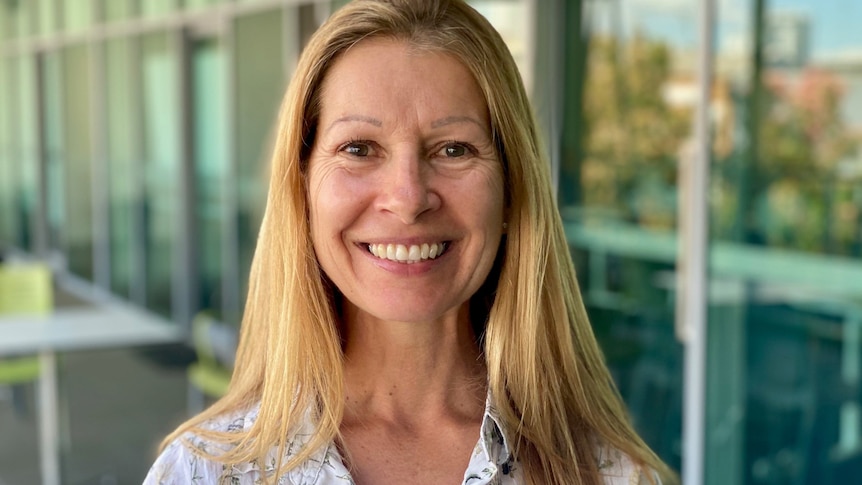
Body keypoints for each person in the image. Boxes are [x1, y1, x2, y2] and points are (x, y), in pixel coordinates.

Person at [145, 0, 675, 483]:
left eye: (452, 149)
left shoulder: (610, 476)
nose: (407, 197)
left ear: (512, 191)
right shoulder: (203, 471)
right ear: (301, 188)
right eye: (358, 148)